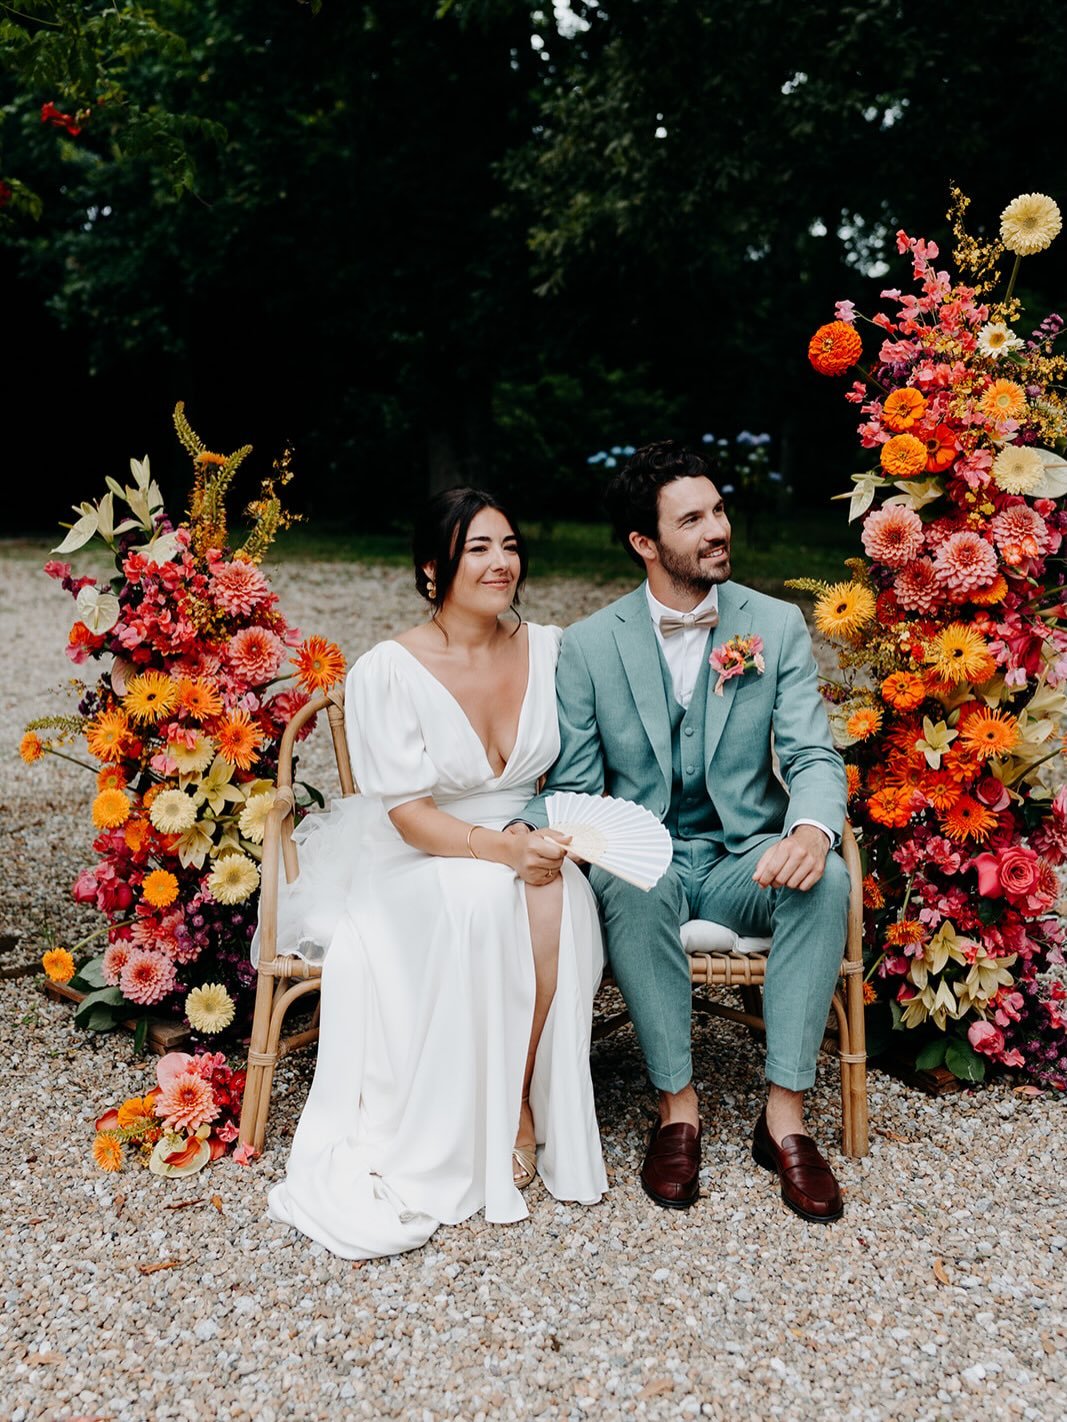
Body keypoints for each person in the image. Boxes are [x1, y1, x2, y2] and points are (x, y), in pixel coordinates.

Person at [264, 488, 607, 1259]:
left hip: (530, 837)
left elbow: (586, 763)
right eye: (477, 548)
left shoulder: (552, 649)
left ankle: (520, 1093)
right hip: (419, 855)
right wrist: (502, 851)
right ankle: (506, 1111)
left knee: (563, 900)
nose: (499, 562)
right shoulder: (390, 668)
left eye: (509, 545)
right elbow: (407, 814)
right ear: (432, 568)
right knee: (496, 897)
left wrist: (539, 838)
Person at [521, 441, 849, 1223]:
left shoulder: (773, 624)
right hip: (650, 853)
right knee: (627, 885)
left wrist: (807, 831)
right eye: (693, 518)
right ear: (645, 542)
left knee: (825, 878)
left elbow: (811, 753)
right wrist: (555, 834)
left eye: (719, 510)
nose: (717, 530)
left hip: (747, 857)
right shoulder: (591, 645)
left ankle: (785, 1119)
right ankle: (678, 1108)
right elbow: (572, 784)